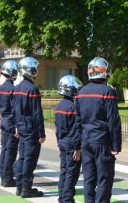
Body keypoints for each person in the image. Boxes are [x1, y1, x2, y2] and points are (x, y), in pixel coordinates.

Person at [75, 57, 122, 203]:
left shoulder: (80, 92)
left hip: (86, 141)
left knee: (89, 177)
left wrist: (77, 145)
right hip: (102, 141)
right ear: (105, 72)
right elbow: (113, 120)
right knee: (104, 177)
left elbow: (77, 122)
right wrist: (116, 145)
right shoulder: (107, 92)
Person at [13, 57, 46, 198]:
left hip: (21, 127)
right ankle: (26, 188)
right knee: (29, 158)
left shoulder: (17, 87)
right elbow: (37, 113)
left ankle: (20, 187)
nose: (36, 71)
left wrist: (16, 127)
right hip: (31, 128)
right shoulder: (32, 89)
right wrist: (41, 133)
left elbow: (15, 110)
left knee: (22, 157)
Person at [55, 75, 82, 203]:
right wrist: (77, 147)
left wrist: (58, 141)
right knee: (72, 172)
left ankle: (62, 196)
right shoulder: (73, 107)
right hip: (71, 143)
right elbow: (77, 128)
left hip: (62, 141)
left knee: (64, 170)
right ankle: (67, 198)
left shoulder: (59, 106)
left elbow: (57, 127)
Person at [0, 60, 19, 187]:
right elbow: (15, 109)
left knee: (4, 150)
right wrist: (17, 126)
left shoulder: (1, 88)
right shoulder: (13, 89)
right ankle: (7, 178)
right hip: (11, 122)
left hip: (4, 120)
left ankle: (4, 175)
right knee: (10, 152)